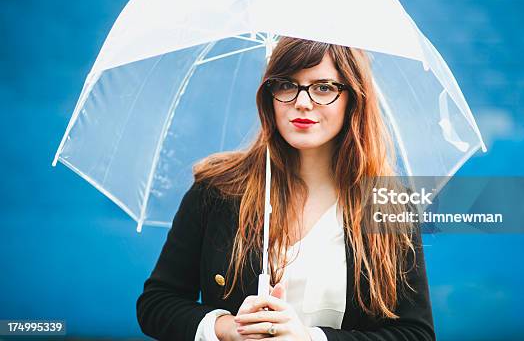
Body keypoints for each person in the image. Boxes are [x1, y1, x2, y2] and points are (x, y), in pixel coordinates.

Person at [136, 37, 436, 341]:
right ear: (270, 95)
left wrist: (310, 338)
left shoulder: (385, 203)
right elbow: (157, 303)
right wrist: (227, 329)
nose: (302, 102)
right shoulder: (218, 188)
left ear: (353, 98)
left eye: (323, 88)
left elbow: (416, 333)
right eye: (286, 85)